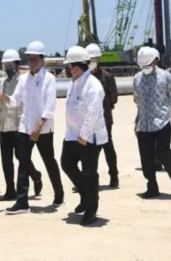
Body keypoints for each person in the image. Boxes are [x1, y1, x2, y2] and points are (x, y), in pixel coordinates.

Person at [0, 40, 65, 214]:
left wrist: (39, 126)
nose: (31, 62)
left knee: (49, 161)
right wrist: (5, 97)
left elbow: (50, 106)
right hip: (25, 127)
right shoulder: (24, 79)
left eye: (34, 59)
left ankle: (59, 194)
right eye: (29, 58)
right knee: (23, 163)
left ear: (42, 60)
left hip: (44, 129)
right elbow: (15, 100)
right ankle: (22, 202)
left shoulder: (49, 79)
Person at [60, 46, 108, 226]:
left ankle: (91, 209)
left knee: (89, 173)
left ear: (76, 67)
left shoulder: (93, 85)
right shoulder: (73, 83)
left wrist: (84, 134)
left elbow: (93, 112)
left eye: (69, 66)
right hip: (72, 134)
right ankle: (86, 196)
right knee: (66, 163)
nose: (67, 70)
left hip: (89, 137)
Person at [133, 46, 171, 198]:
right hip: (144, 125)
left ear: (156, 60)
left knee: (163, 153)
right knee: (146, 158)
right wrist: (137, 120)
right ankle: (152, 187)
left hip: (162, 123)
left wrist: (164, 113)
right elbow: (137, 100)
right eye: (143, 65)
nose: (145, 67)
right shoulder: (137, 78)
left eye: (148, 64)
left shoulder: (166, 77)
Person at [0, 49, 44, 201]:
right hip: (5, 126)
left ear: (17, 65)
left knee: (21, 157)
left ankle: (35, 175)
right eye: (5, 65)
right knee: (6, 160)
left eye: (10, 65)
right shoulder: (3, 82)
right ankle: (10, 190)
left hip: (19, 126)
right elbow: (0, 104)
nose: (7, 68)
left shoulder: (24, 81)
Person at [85, 43, 119, 188]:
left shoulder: (107, 76)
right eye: (89, 60)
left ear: (99, 59)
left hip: (105, 119)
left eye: (94, 59)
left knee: (108, 148)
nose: (92, 62)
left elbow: (114, 97)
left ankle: (114, 177)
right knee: (89, 151)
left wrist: (105, 106)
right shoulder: (83, 77)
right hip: (88, 119)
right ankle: (90, 178)